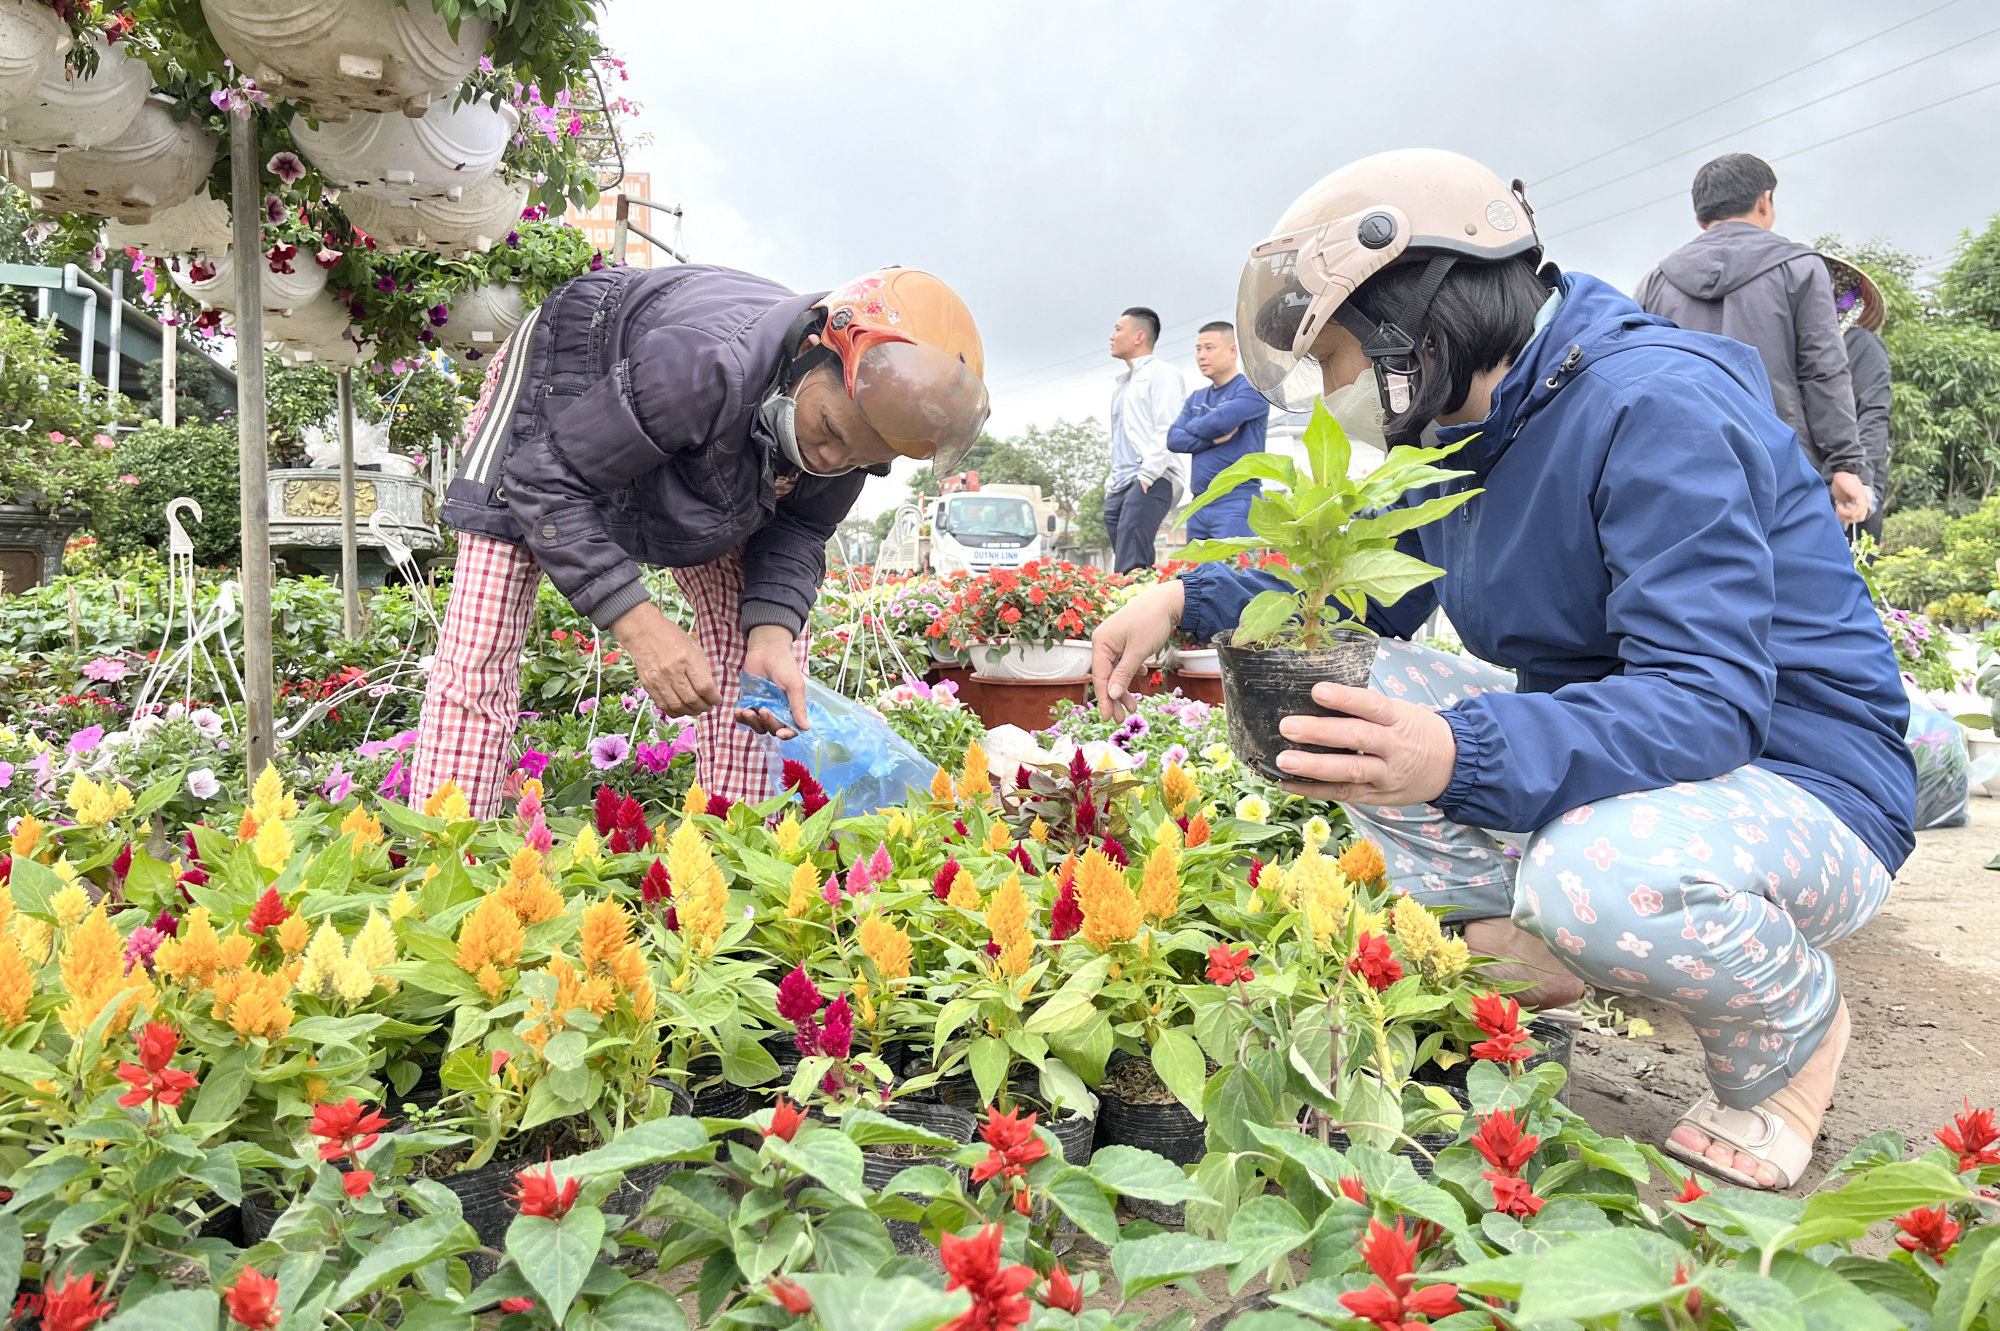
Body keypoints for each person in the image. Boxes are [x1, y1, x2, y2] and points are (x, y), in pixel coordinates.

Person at [1091, 149, 1915, 1191]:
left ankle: (1790, 1036)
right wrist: (1178, 599)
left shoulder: (1650, 404)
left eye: (1341, 356)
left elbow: (1707, 699)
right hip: (1644, 767)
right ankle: (1529, 936)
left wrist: (1454, 749)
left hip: (1803, 779)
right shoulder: (1465, 430)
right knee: (1332, 694)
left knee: (1594, 878)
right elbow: (1351, 585)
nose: (1338, 387)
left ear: (1415, 315)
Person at [415, 265, 988, 814]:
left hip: (706, 433)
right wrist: (640, 627)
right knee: (483, 638)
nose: (831, 460)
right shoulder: (704, 363)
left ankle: (730, 850)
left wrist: (771, 635)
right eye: (828, 431)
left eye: (860, 460)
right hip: (573, 373)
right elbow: (543, 482)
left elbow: (801, 528)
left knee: (759, 665)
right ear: (814, 348)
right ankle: (445, 855)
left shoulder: (864, 427)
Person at [1636, 153, 1871, 526]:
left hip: (1686, 472)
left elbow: (1643, 380)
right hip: (1784, 470)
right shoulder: (1800, 267)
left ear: (1700, 218)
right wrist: (1844, 464)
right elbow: (1823, 370)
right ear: (1764, 201)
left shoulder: (1655, 283)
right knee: (1795, 580)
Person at [1104, 306, 1188, 572]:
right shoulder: (1123, 385)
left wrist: (1147, 476)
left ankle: (1133, 610)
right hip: (1120, 484)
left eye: (1118, 329)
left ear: (1139, 337)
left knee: (1131, 564)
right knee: (1127, 562)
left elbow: (1167, 427)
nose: (1111, 336)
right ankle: (1145, 604)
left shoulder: (1162, 374)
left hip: (1152, 477)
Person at [1168, 321, 1270, 540]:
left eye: (1209, 348)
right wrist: (1212, 441)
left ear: (1233, 350)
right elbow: (1173, 439)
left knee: (1233, 571)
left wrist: (1192, 427)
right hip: (1199, 502)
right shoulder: (1197, 398)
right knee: (1194, 573)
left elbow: (1220, 422)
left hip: (1235, 500)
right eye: (1198, 349)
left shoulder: (1252, 389)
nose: (1201, 356)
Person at [1824, 255, 1891, 541]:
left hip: (1850, 485)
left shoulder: (1860, 346)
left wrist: (1861, 482)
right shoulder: (1791, 349)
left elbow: (1872, 416)